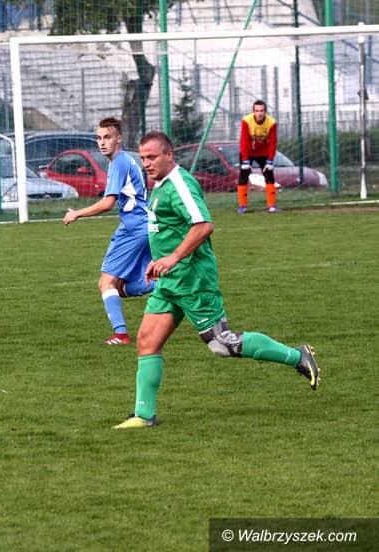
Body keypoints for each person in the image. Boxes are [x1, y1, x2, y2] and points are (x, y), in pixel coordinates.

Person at [113, 131, 320, 429]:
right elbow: (167, 229)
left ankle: (297, 356)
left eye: (152, 157)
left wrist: (173, 258)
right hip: (170, 282)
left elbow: (203, 226)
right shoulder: (160, 184)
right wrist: (157, 261)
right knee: (147, 341)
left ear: (169, 155)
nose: (146, 163)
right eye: (143, 158)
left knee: (223, 344)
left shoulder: (180, 184)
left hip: (194, 280)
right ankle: (144, 416)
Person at [64, 117, 154, 345]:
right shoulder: (124, 160)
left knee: (105, 283)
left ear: (119, 139)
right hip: (144, 226)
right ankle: (170, 284)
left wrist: (77, 213)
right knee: (122, 287)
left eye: (107, 137)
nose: (102, 143)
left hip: (134, 229)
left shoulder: (119, 163)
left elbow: (107, 203)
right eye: (99, 138)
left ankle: (121, 335)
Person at [238, 99, 278, 213]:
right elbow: (244, 141)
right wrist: (245, 160)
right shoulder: (246, 121)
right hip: (249, 152)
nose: (259, 113)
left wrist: (270, 160)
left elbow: (273, 142)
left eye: (261, 111)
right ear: (253, 112)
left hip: (263, 153)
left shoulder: (271, 123)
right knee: (243, 176)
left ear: (265, 111)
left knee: (269, 176)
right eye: (257, 111)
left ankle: (271, 205)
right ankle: (243, 206)